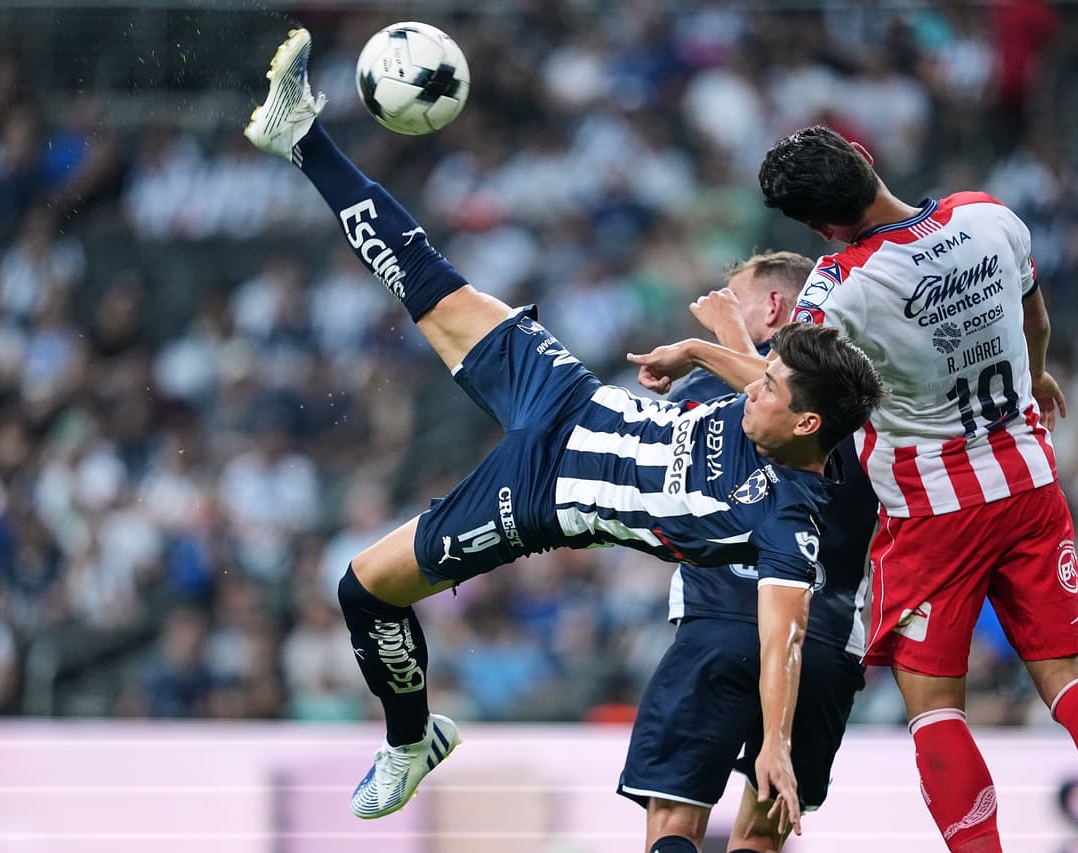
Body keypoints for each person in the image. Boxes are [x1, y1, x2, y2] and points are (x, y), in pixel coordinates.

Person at [243, 31, 886, 833]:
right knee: (428, 283)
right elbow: (767, 374)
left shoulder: (793, 506)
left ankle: (410, 741)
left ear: (803, 413)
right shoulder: (769, 389)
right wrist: (701, 348)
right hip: (570, 398)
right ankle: (303, 137)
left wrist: (778, 744)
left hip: (545, 494)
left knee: (362, 586)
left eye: (770, 378)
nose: (757, 378)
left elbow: (785, 629)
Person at [628, 125, 1078, 853]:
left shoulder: (839, 286)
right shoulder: (986, 214)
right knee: (1070, 676)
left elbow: (779, 391)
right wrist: (1037, 374)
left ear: (820, 227)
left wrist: (701, 346)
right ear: (865, 158)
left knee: (935, 708)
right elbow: (1034, 316)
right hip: (1029, 482)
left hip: (932, 511)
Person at [618, 252, 879, 853]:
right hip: (822, 639)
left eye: (731, 298)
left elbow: (756, 400)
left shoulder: (709, 392)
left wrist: (718, 341)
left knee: (674, 819)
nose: (716, 308)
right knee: (761, 835)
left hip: (718, 624)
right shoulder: (869, 398)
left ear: (774, 306)